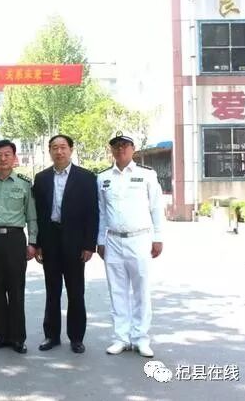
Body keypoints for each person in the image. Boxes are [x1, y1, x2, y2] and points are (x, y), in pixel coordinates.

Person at [97, 132, 164, 358]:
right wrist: (100, 240)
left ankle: (141, 338)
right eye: (116, 146)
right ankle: (121, 338)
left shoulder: (146, 175)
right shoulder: (103, 178)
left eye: (125, 145)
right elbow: (101, 212)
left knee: (141, 291)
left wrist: (158, 237)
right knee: (117, 291)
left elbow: (156, 207)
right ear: (111, 150)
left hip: (140, 238)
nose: (120, 149)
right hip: (113, 240)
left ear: (133, 149)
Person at [32, 135, 99, 354]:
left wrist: (89, 245)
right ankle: (51, 336)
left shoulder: (86, 178)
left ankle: (76, 337)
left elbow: (92, 213)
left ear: (71, 150)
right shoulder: (41, 178)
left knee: (75, 292)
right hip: (50, 240)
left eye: (63, 147)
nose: (59, 152)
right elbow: (38, 214)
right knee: (52, 291)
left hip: (75, 242)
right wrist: (38, 244)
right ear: (49, 151)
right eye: (54, 148)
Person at [0, 139, 37, 354]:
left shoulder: (24, 184)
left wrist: (32, 242)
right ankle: (1, 336)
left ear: (14, 157)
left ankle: (18, 338)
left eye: (7, 154)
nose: (3, 158)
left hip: (15, 239)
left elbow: (31, 216)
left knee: (16, 289)